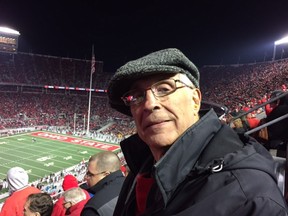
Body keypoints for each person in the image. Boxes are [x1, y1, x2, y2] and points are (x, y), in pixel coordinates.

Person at [107, 48, 288, 215]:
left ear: (195, 99)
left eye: (164, 89)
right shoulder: (141, 169)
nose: (149, 104)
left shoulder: (249, 197)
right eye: (137, 96)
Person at [80, 151, 125, 216]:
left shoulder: (93, 208)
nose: (85, 177)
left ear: (106, 174)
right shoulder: (131, 184)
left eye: (90, 174)